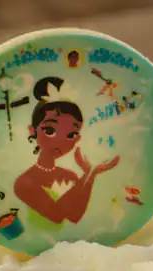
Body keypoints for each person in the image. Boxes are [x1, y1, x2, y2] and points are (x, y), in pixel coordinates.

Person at [13, 76, 120, 230]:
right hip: (38, 243)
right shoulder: (24, 182)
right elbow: (57, 216)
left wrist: (90, 173)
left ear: (77, 139)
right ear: (32, 131)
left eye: (71, 135)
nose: (60, 141)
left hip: (70, 244)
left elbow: (75, 216)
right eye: (50, 130)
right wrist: (87, 176)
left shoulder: (69, 175)